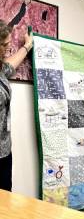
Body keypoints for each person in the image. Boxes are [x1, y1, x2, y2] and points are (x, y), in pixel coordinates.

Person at [0, 20, 33, 191]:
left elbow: (8, 66)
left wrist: (27, 46)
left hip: (4, 152)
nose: (9, 46)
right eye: (4, 44)